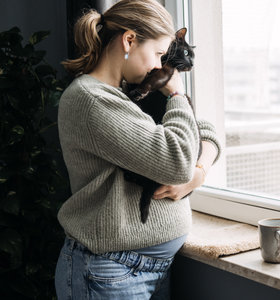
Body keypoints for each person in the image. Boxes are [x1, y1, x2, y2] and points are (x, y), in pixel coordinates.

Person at [54, 0, 221, 298]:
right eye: (158, 54)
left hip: (149, 266)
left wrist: (200, 172)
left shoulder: (130, 91)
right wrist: (177, 93)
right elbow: (176, 161)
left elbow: (205, 131)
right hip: (110, 272)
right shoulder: (91, 99)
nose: (160, 66)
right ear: (129, 40)